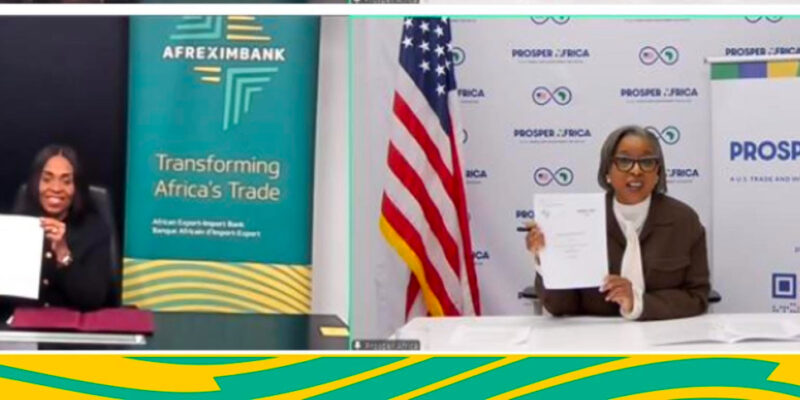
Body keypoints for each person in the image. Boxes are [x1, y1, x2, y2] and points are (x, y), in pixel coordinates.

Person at [525, 125, 710, 321]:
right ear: (607, 170)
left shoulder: (684, 221)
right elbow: (560, 306)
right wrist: (545, 258)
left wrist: (637, 303)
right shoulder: (578, 219)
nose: (636, 170)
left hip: (663, 333)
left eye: (647, 162)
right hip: (596, 336)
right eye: (624, 161)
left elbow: (697, 297)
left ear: (658, 172)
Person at [6, 145, 113, 312]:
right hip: (23, 322)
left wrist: (63, 255)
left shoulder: (94, 229)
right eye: (47, 179)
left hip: (72, 325)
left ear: (76, 187)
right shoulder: (17, 226)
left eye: (66, 181)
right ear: (36, 183)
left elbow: (93, 299)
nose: (56, 188)